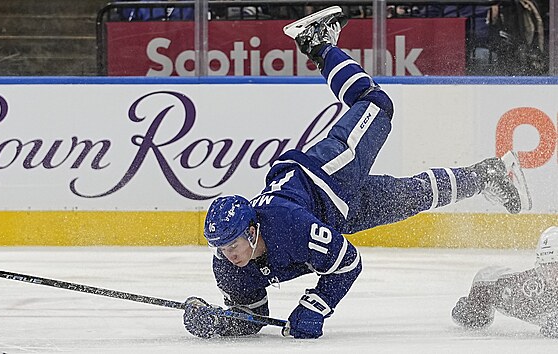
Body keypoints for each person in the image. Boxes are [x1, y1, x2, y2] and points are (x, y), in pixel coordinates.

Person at [182, 6, 533, 339]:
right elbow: (252, 320)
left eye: (232, 243)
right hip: (335, 215)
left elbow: (347, 261)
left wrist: (315, 305)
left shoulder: (288, 225)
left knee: (377, 105)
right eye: (221, 247)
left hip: (327, 175)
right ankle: (486, 175)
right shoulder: (229, 270)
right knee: (414, 196)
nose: (228, 253)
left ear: (253, 229)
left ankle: (319, 44)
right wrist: (216, 321)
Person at [452, 226, 558, 338]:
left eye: (555, 266)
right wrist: (474, 307)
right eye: (545, 266)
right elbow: (487, 279)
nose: (550, 274)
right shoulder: (525, 290)